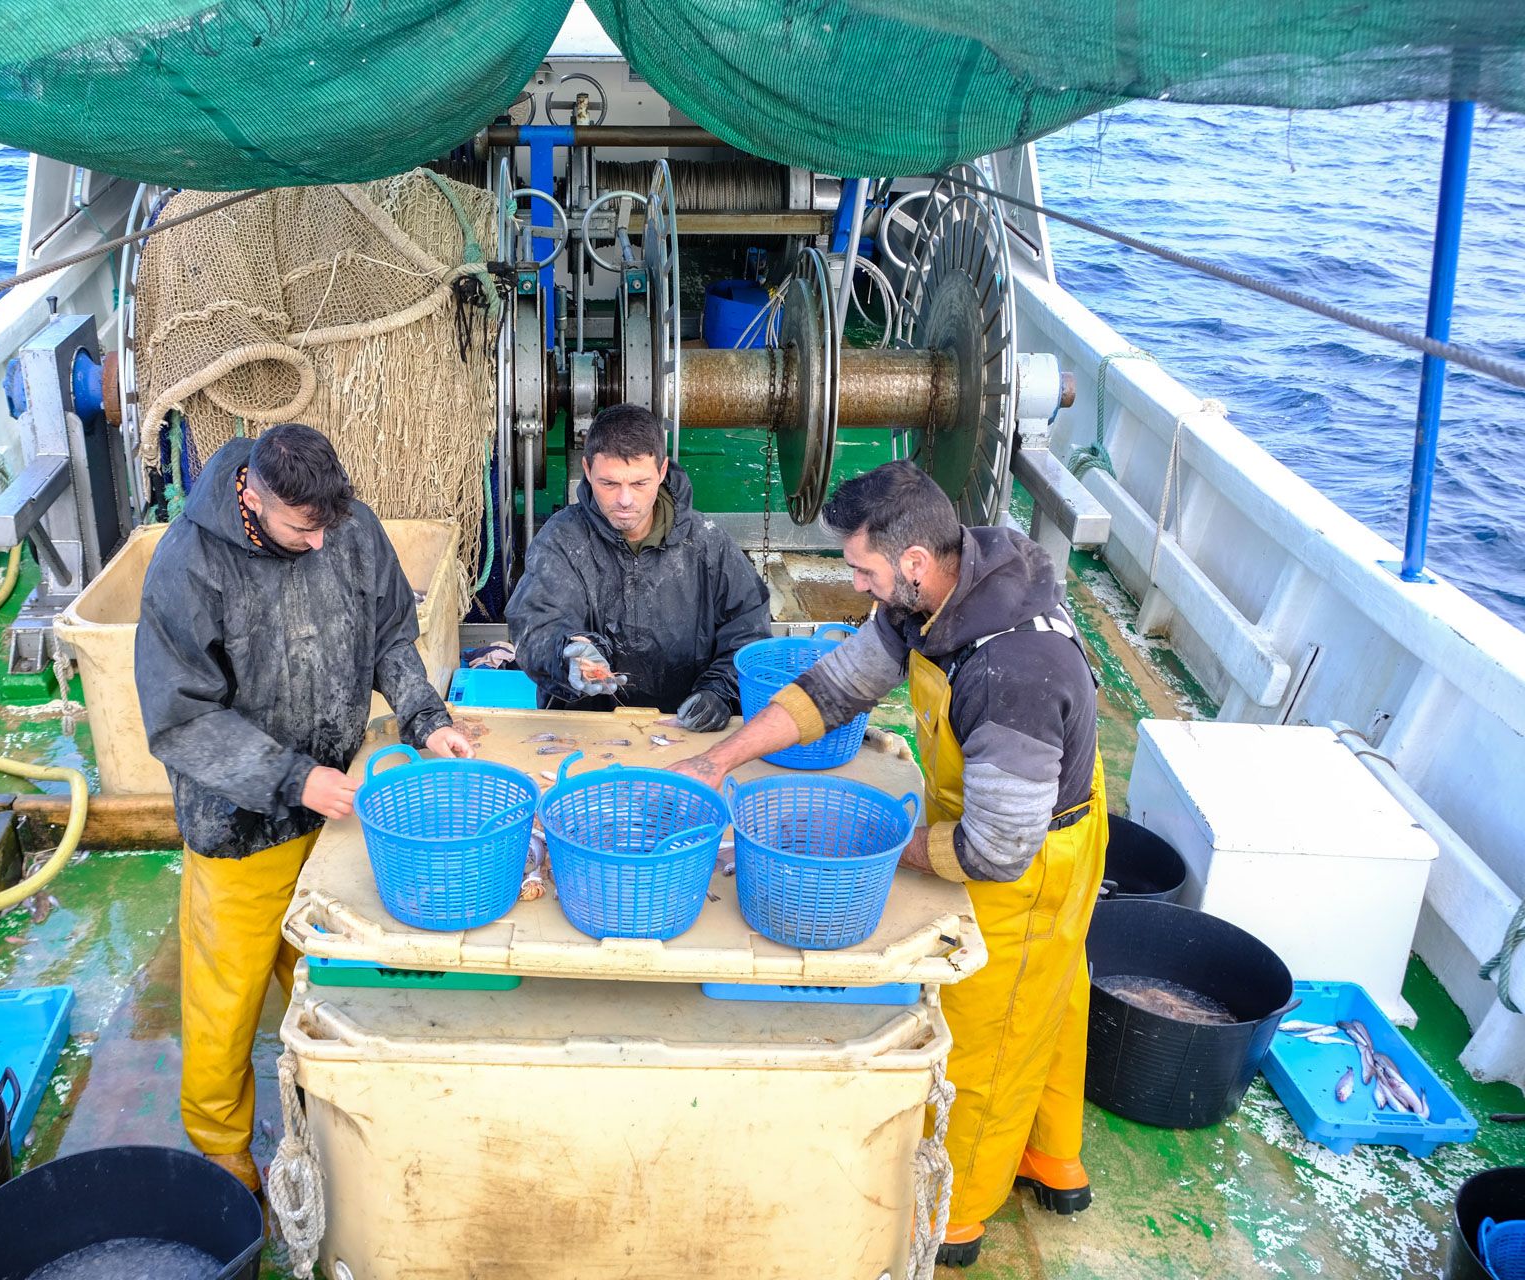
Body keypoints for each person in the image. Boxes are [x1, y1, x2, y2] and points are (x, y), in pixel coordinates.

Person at [668, 461, 1105, 1268]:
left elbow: (995, 851)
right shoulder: (938, 589)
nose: (855, 585)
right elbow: (836, 688)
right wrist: (722, 758)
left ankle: (962, 1217)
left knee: (986, 1030)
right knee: (1051, 997)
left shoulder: (1014, 675)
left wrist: (863, 845)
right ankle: (1055, 1157)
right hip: (1002, 800)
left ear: (909, 564)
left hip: (1034, 849)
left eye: (862, 571)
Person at [135, 423, 473, 1191]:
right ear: (251, 493)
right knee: (227, 995)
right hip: (239, 822)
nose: (321, 544)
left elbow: (390, 632)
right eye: (301, 528)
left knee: (322, 968)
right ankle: (222, 1147)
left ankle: (326, 1108)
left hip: (334, 804)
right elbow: (179, 718)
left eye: (328, 525)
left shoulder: (342, 526)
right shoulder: (186, 566)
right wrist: (291, 778)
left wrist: (428, 718)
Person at [506, 403, 771, 730]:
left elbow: (749, 630)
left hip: (686, 731)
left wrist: (719, 691)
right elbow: (536, 626)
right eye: (609, 484)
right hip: (584, 733)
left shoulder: (709, 543)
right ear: (587, 470)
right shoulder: (560, 541)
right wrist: (568, 654)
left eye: (640, 483)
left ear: (661, 471)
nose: (625, 500)